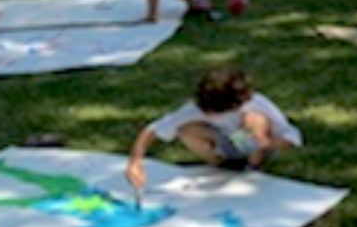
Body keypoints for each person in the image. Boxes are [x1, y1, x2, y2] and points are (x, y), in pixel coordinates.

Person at [125, 66, 302, 193]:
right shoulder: (196, 109)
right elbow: (152, 130)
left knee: (253, 119)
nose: (209, 113)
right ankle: (221, 165)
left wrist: (265, 143)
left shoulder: (256, 104)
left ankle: (252, 165)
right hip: (224, 144)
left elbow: (291, 135)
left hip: (255, 146)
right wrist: (135, 163)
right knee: (186, 129)